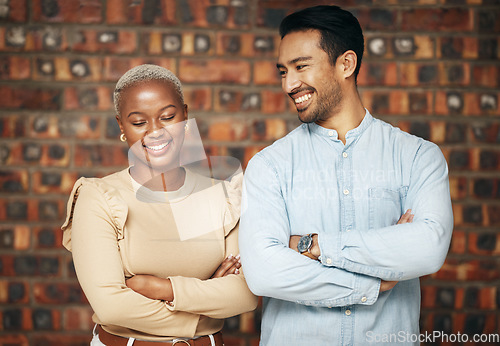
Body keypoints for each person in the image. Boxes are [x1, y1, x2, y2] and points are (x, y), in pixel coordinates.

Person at [239, 5, 453, 345]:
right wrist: (371, 282)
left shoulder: (416, 157)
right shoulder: (269, 165)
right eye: (283, 71)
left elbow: (427, 248)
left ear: (346, 64)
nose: (289, 84)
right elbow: (263, 272)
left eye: (301, 66)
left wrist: (313, 246)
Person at [62, 64, 257, 346]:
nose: (155, 132)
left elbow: (245, 295)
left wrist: (162, 288)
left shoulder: (223, 196)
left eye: (167, 117)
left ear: (185, 116)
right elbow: (111, 307)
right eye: (139, 122)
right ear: (121, 126)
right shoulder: (99, 197)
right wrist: (205, 302)